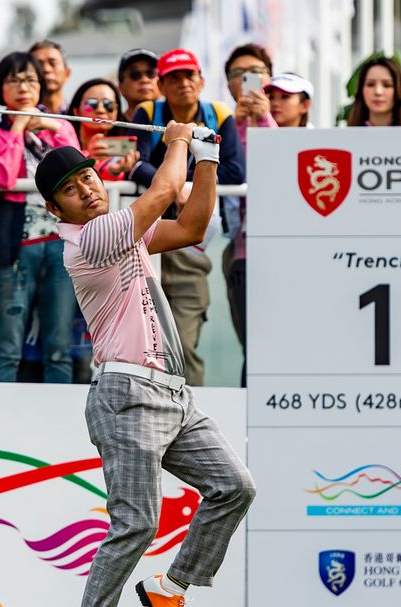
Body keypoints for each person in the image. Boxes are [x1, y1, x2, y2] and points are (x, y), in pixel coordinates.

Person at [39, 123, 255, 607]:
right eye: (71, 188)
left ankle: (173, 586)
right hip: (127, 393)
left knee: (234, 487)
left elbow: (192, 224)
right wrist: (180, 140)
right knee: (136, 520)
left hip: (175, 396)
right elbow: (161, 195)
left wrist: (207, 156)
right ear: (56, 210)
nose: (86, 188)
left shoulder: (125, 232)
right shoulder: (88, 240)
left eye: (88, 176)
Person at [128, 48, 245, 387]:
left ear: (201, 80)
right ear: (161, 84)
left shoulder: (219, 113)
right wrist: (178, 184)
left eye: (189, 75)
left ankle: (188, 418)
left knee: (183, 343)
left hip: (194, 242)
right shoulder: (147, 111)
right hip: (147, 239)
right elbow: (134, 163)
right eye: (174, 77)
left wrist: (182, 184)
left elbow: (236, 172)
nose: (183, 83)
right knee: (142, 347)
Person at [0, 51, 80, 384]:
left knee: (59, 346)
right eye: (14, 79)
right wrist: (18, 127)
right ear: (0, 88)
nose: (24, 86)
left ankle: (58, 428)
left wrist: (48, 124)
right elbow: (2, 178)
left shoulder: (60, 129)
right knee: (8, 345)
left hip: (62, 246)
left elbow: (77, 168)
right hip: (13, 247)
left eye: (31, 79)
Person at [67, 79, 137, 181]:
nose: (101, 110)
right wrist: (87, 156)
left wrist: (115, 171)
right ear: (76, 111)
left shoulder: (125, 149)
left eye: (109, 105)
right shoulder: (61, 139)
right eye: (91, 104)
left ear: (117, 112)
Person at [347, 54, 401, 127]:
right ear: (361, 90)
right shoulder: (346, 136)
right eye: (370, 84)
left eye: (387, 85)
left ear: (399, 90)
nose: (378, 92)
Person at [224, 43, 274, 146]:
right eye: (237, 72)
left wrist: (265, 119)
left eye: (256, 71)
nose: (247, 76)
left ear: (271, 78)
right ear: (228, 86)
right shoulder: (218, 124)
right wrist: (238, 125)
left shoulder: (287, 115)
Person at [116, 48, 157, 122]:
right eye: (135, 75)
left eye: (151, 73)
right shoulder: (111, 127)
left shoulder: (178, 124)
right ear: (120, 88)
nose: (144, 80)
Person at [29, 40, 70, 115]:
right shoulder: (17, 116)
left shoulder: (80, 116)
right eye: (39, 64)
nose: (46, 69)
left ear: (67, 74)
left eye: (53, 63)